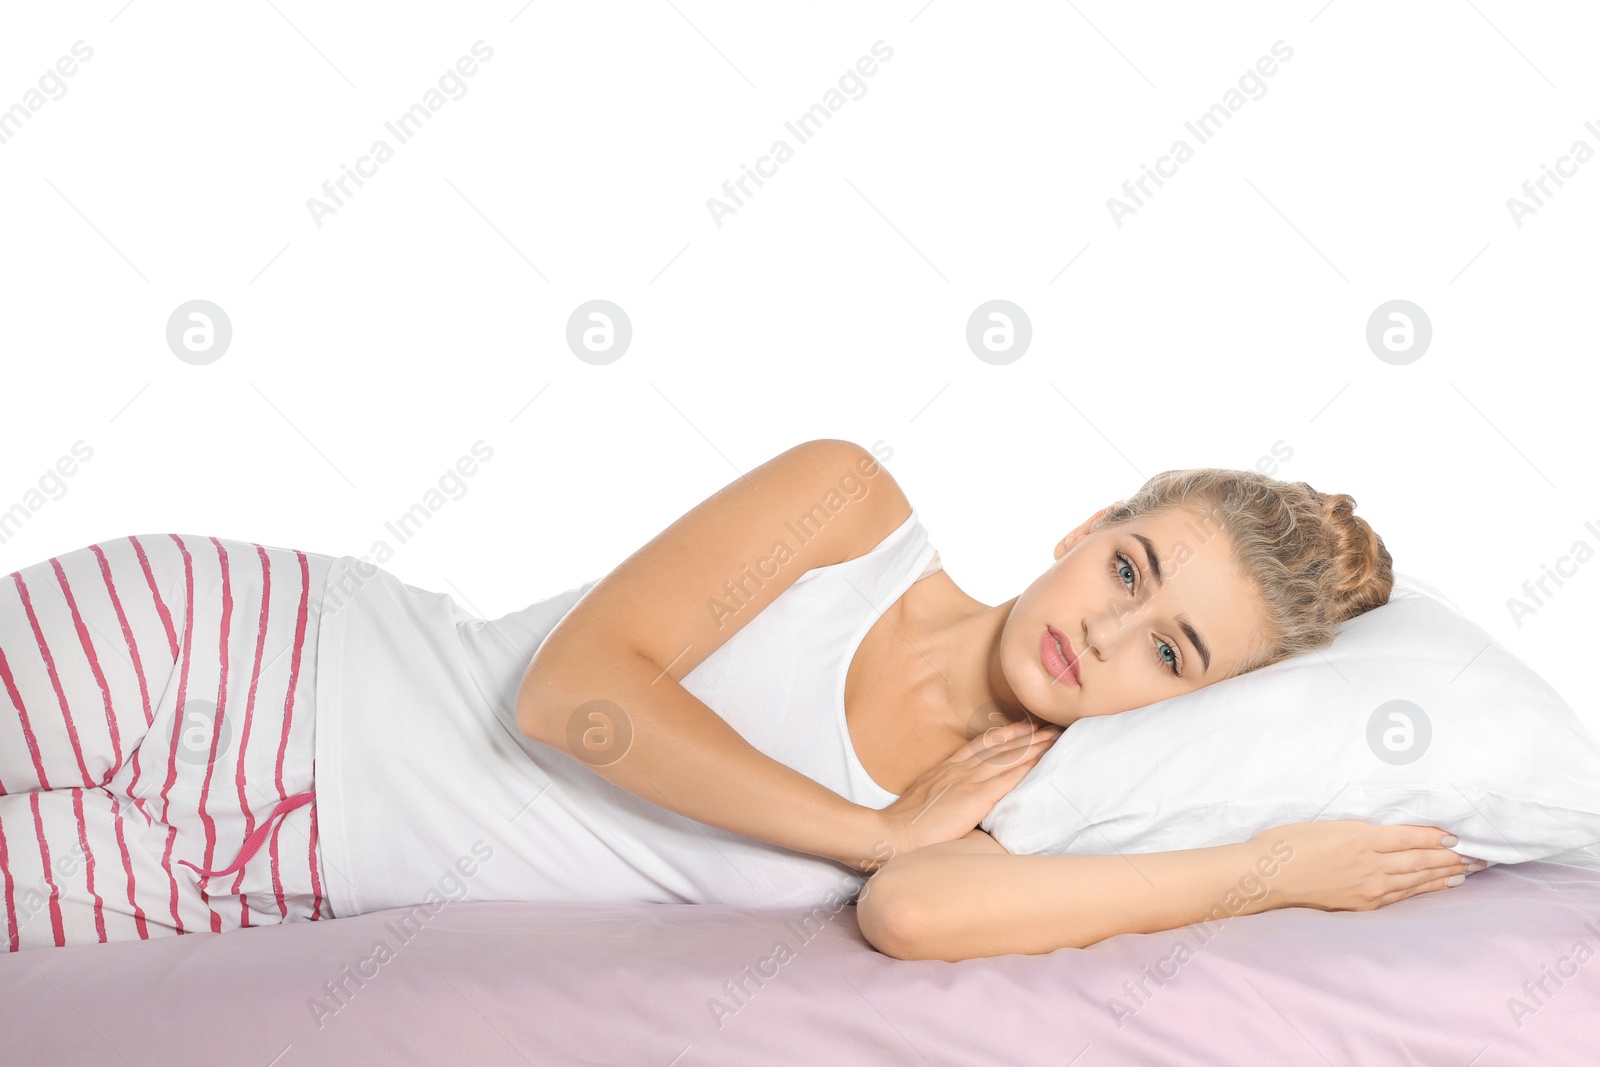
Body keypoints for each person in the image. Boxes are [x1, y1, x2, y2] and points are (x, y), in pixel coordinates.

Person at [0, 439, 1483, 955]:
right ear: (1086, 530)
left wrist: (1272, 869)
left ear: (1191, 707)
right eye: (1133, 571)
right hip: (244, 659)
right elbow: (574, 697)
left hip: (245, 888)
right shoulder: (850, 511)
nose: (1110, 635)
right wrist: (864, 825)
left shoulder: (1020, 819)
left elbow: (913, 917)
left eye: (1172, 654)